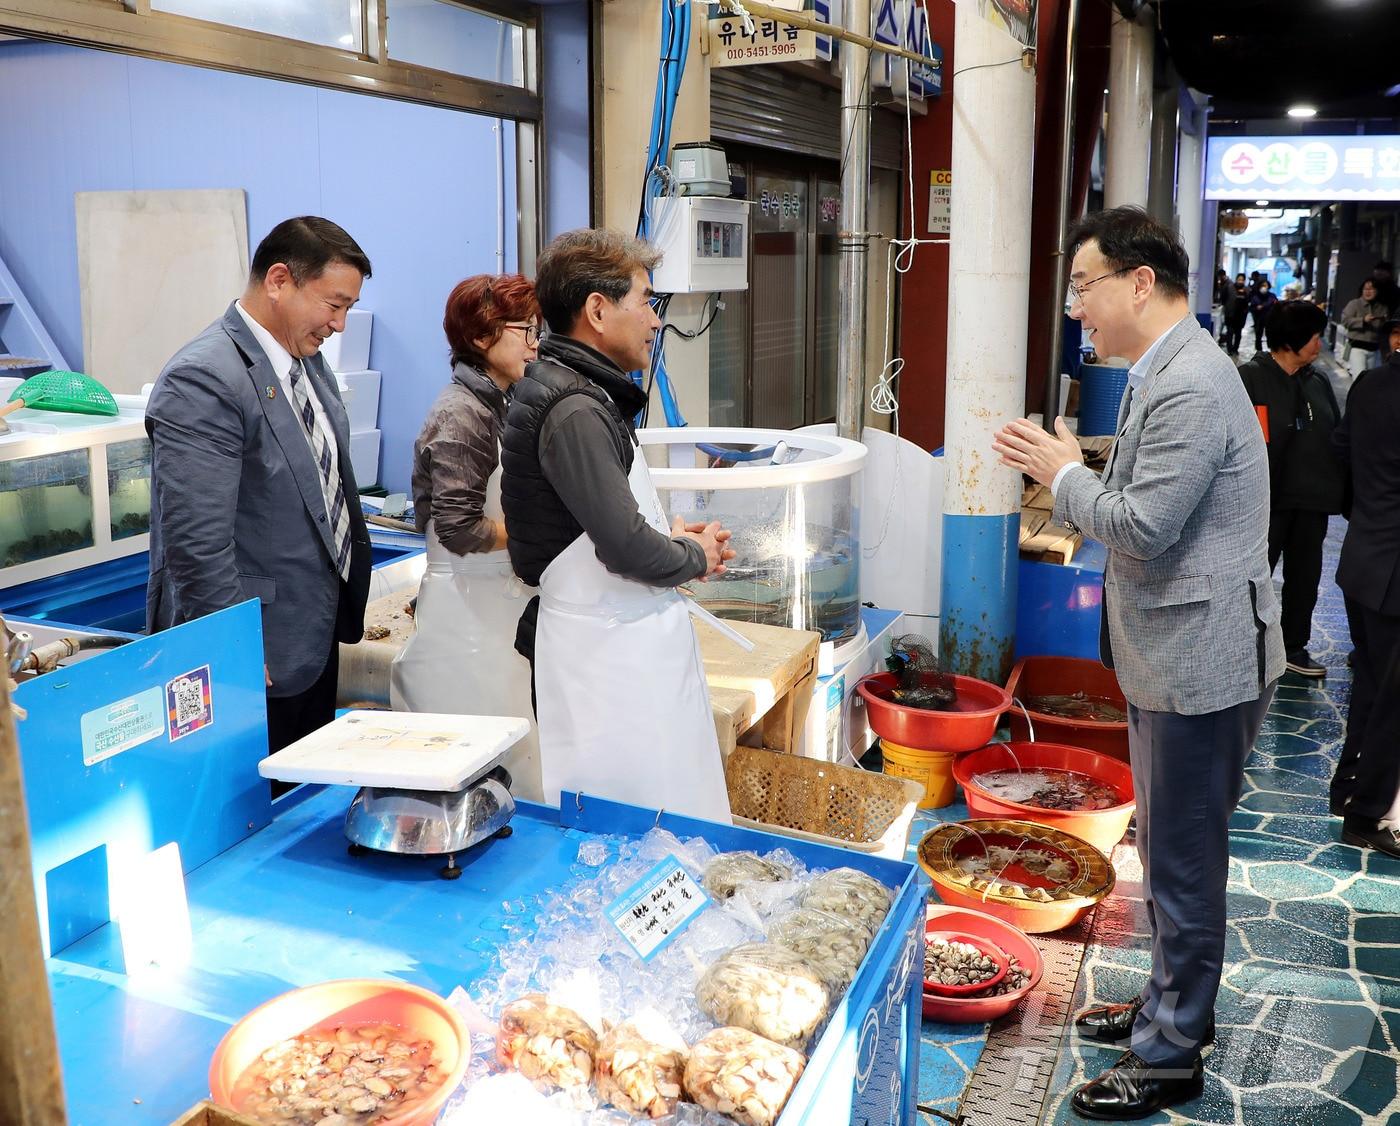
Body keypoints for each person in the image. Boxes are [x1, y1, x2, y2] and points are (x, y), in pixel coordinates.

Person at [992, 206, 1283, 1120]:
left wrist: (1064, 469)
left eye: (1084, 286)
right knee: (1165, 850)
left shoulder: (1191, 382)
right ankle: (1168, 1005)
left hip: (1202, 661)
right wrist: (1086, 465)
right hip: (1182, 652)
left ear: (1138, 284)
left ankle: (1171, 1054)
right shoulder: (1169, 370)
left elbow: (1145, 527)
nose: (1078, 306)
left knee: (1185, 859)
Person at [499, 228, 736, 821]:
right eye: (645, 302)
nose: (656, 321)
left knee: (659, 813)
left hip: (619, 646)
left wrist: (676, 542)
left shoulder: (585, 395)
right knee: (631, 822)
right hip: (606, 663)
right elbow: (626, 548)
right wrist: (695, 556)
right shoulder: (574, 408)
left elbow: (606, 523)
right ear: (598, 311)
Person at [147, 217, 374, 753]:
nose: (339, 324)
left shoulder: (305, 362)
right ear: (279, 280)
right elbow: (196, 545)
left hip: (309, 631)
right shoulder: (203, 379)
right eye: (333, 304)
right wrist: (236, 653)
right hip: (253, 655)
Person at [391, 274, 544, 801]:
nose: (534, 343)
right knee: (470, 760)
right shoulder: (461, 414)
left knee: (510, 753)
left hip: (493, 606)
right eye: (524, 329)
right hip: (465, 616)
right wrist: (537, 532)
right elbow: (459, 527)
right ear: (481, 338)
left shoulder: (499, 403)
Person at [1236, 301, 1343, 679]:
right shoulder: (1250, 379)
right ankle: (1241, 649)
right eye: (1314, 336)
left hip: (1311, 502)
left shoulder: (1317, 381)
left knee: (1305, 579)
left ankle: (1293, 647)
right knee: (1251, 577)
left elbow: (1338, 434)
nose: (1320, 343)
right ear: (1292, 340)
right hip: (1263, 504)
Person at [1329, 322, 1400, 859]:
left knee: (1373, 686)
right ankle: (1367, 813)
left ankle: (1347, 788)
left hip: (1362, 558)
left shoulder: (1370, 385)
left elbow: (1343, 452)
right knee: (1390, 700)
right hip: (1393, 574)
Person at [1341, 278, 1387, 377]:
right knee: (1359, 377)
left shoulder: (1382, 307)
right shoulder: (1354, 304)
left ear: (1377, 291)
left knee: (1372, 379)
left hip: (1374, 349)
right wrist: (1362, 320)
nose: (1368, 292)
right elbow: (1345, 320)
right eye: (1365, 289)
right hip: (1357, 347)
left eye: (1371, 289)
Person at [1247, 277, 1278, 354]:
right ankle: (1259, 351)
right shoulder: (1255, 297)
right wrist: (1256, 308)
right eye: (1262, 285)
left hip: (1270, 319)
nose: (1264, 287)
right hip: (1258, 319)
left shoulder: (1272, 296)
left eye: (1265, 285)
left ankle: (1271, 351)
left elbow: (1276, 306)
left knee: (1270, 334)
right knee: (1258, 335)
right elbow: (1251, 308)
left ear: (1268, 286)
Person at [1224, 276, 1249, 357]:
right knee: (1230, 332)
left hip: (1241, 316)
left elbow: (1248, 301)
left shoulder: (1247, 290)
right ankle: (1229, 349)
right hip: (1230, 315)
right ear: (1236, 279)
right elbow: (1223, 299)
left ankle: (1235, 349)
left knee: (1238, 333)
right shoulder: (1229, 287)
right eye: (1239, 279)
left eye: (1242, 280)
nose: (1240, 281)